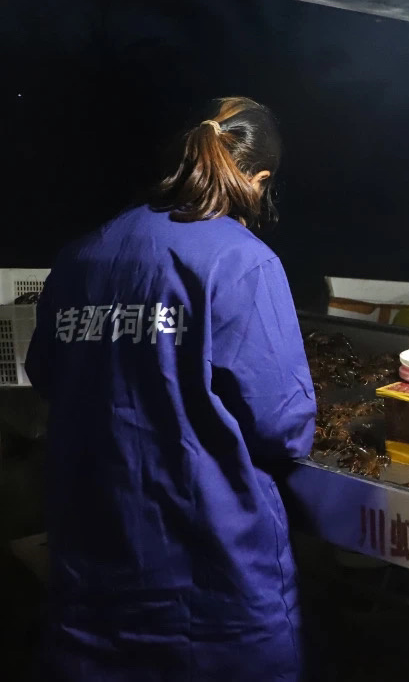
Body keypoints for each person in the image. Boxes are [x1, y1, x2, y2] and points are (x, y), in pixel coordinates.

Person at [25, 97, 316, 681]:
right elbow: (283, 426)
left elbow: (48, 373)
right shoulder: (244, 261)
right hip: (211, 578)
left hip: (91, 563)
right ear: (258, 180)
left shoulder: (81, 254)